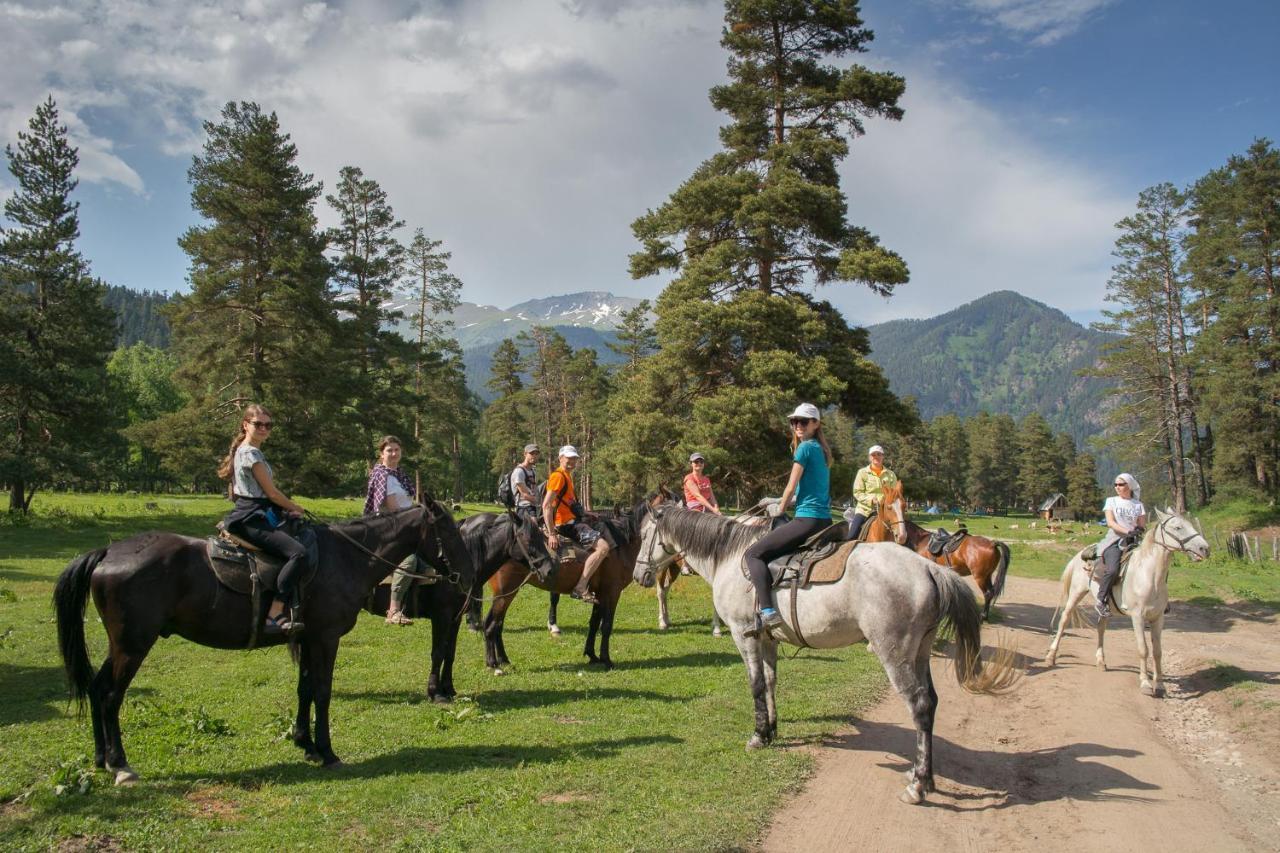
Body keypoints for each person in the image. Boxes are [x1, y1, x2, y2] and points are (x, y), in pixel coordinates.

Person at [218, 404, 314, 635]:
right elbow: (271, 493)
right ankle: (275, 614)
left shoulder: (248, 451)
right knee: (298, 553)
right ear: (245, 425)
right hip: (251, 517)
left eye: (268, 425)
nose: (263, 428)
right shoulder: (251, 453)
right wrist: (295, 507)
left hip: (259, 511)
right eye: (258, 424)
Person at [743, 403, 833, 638]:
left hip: (807, 520)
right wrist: (779, 500)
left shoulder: (803, 449)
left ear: (816, 424)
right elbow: (807, 491)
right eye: (794, 422)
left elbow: (791, 485)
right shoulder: (822, 451)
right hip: (823, 520)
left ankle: (768, 611)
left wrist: (778, 508)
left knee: (753, 554)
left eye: (803, 422)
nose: (797, 426)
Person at [364, 435, 433, 626]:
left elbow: (407, 502)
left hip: (407, 527)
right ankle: (393, 610)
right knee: (409, 561)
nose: (394, 454)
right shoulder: (382, 476)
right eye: (389, 450)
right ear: (381, 454)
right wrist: (417, 516)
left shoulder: (398, 474)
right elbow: (394, 510)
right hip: (390, 531)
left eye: (397, 450)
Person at [543, 445, 612, 605]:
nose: (572, 461)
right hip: (567, 525)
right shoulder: (558, 476)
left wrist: (587, 513)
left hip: (572, 520)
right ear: (560, 458)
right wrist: (552, 533)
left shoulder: (567, 476)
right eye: (569, 458)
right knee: (603, 548)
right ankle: (580, 587)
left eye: (574, 458)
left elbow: (568, 503)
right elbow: (546, 505)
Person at [1094, 472, 1146, 618]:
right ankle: (1101, 600)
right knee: (1112, 570)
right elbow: (1110, 523)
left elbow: (1142, 524)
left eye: (1121, 484)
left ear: (1129, 486)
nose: (1117, 487)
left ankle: (1156, 601)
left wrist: (1138, 530)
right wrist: (1127, 530)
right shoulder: (1111, 501)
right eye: (1115, 484)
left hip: (1134, 541)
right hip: (1115, 540)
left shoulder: (1138, 505)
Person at [846, 445, 898, 541]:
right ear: (870, 457)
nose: (876, 457)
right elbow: (857, 492)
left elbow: (894, 493)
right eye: (873, 455)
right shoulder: (862, 472)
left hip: (885, 511)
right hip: (865, 510)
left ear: (883, 456)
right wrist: (871, 500)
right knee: (851, 536)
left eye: (879, 454)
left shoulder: (891, 475)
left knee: (903, 532)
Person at [510, 444, 541, 521]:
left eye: (536, 454)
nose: (534, 456)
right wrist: (541, 503)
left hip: (533, 506)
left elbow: (534, 489)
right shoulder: (519, 471)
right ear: (525, 454)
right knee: (534, 526)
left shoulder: (533, 471)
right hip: (523, 507)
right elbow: (524, 495)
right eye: (531, 453)